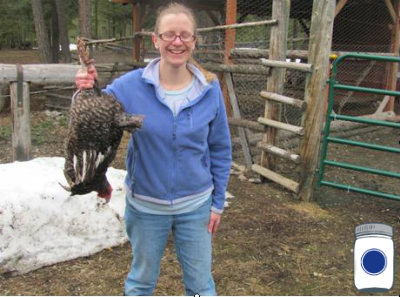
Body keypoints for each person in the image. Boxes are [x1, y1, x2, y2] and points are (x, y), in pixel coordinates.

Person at [75, 2, 232, 296]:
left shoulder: (210, 90)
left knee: (200, 285)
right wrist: (86, 87)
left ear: (195, 41)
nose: (177, 41)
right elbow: (93, 114)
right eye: (169, 34)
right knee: (141, 283)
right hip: (146, 206)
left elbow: (221, 150)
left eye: (185, 35)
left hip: (196, 206)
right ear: (155, 39)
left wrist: (217, 202)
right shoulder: (130, 86)